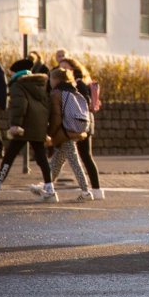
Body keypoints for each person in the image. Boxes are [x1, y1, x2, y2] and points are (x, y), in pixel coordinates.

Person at [0, 59, 54, 200]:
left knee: (9, 157)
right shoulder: (40, 84)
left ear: (16, 73)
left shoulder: (18, 85)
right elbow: (46, 106)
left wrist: (15, 124)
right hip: (38, 126)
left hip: (23, 127)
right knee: (41, 158)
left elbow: (20, 105)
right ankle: (50, 189)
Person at [45, 67, 93, 202]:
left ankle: (86, 191)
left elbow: (56, 117)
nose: (50, 82)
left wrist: (51, 133)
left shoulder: (56, 93)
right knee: (57, 160)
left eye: (51, 79)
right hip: (75, 129)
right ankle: (47, 186)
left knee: (74, 161)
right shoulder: (73, 91)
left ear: (56, 80)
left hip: (64, 131)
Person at [58, 57, 103, 200]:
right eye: (61, 68)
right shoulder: (78, 83)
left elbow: (84, 103)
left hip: (82, 124)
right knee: (67, 155)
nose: (63, 71)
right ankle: (95, 190)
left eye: (66, 68)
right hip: (82, 123)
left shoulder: (79, 83)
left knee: (84, 156)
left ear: (73, 69)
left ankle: (94, 189)